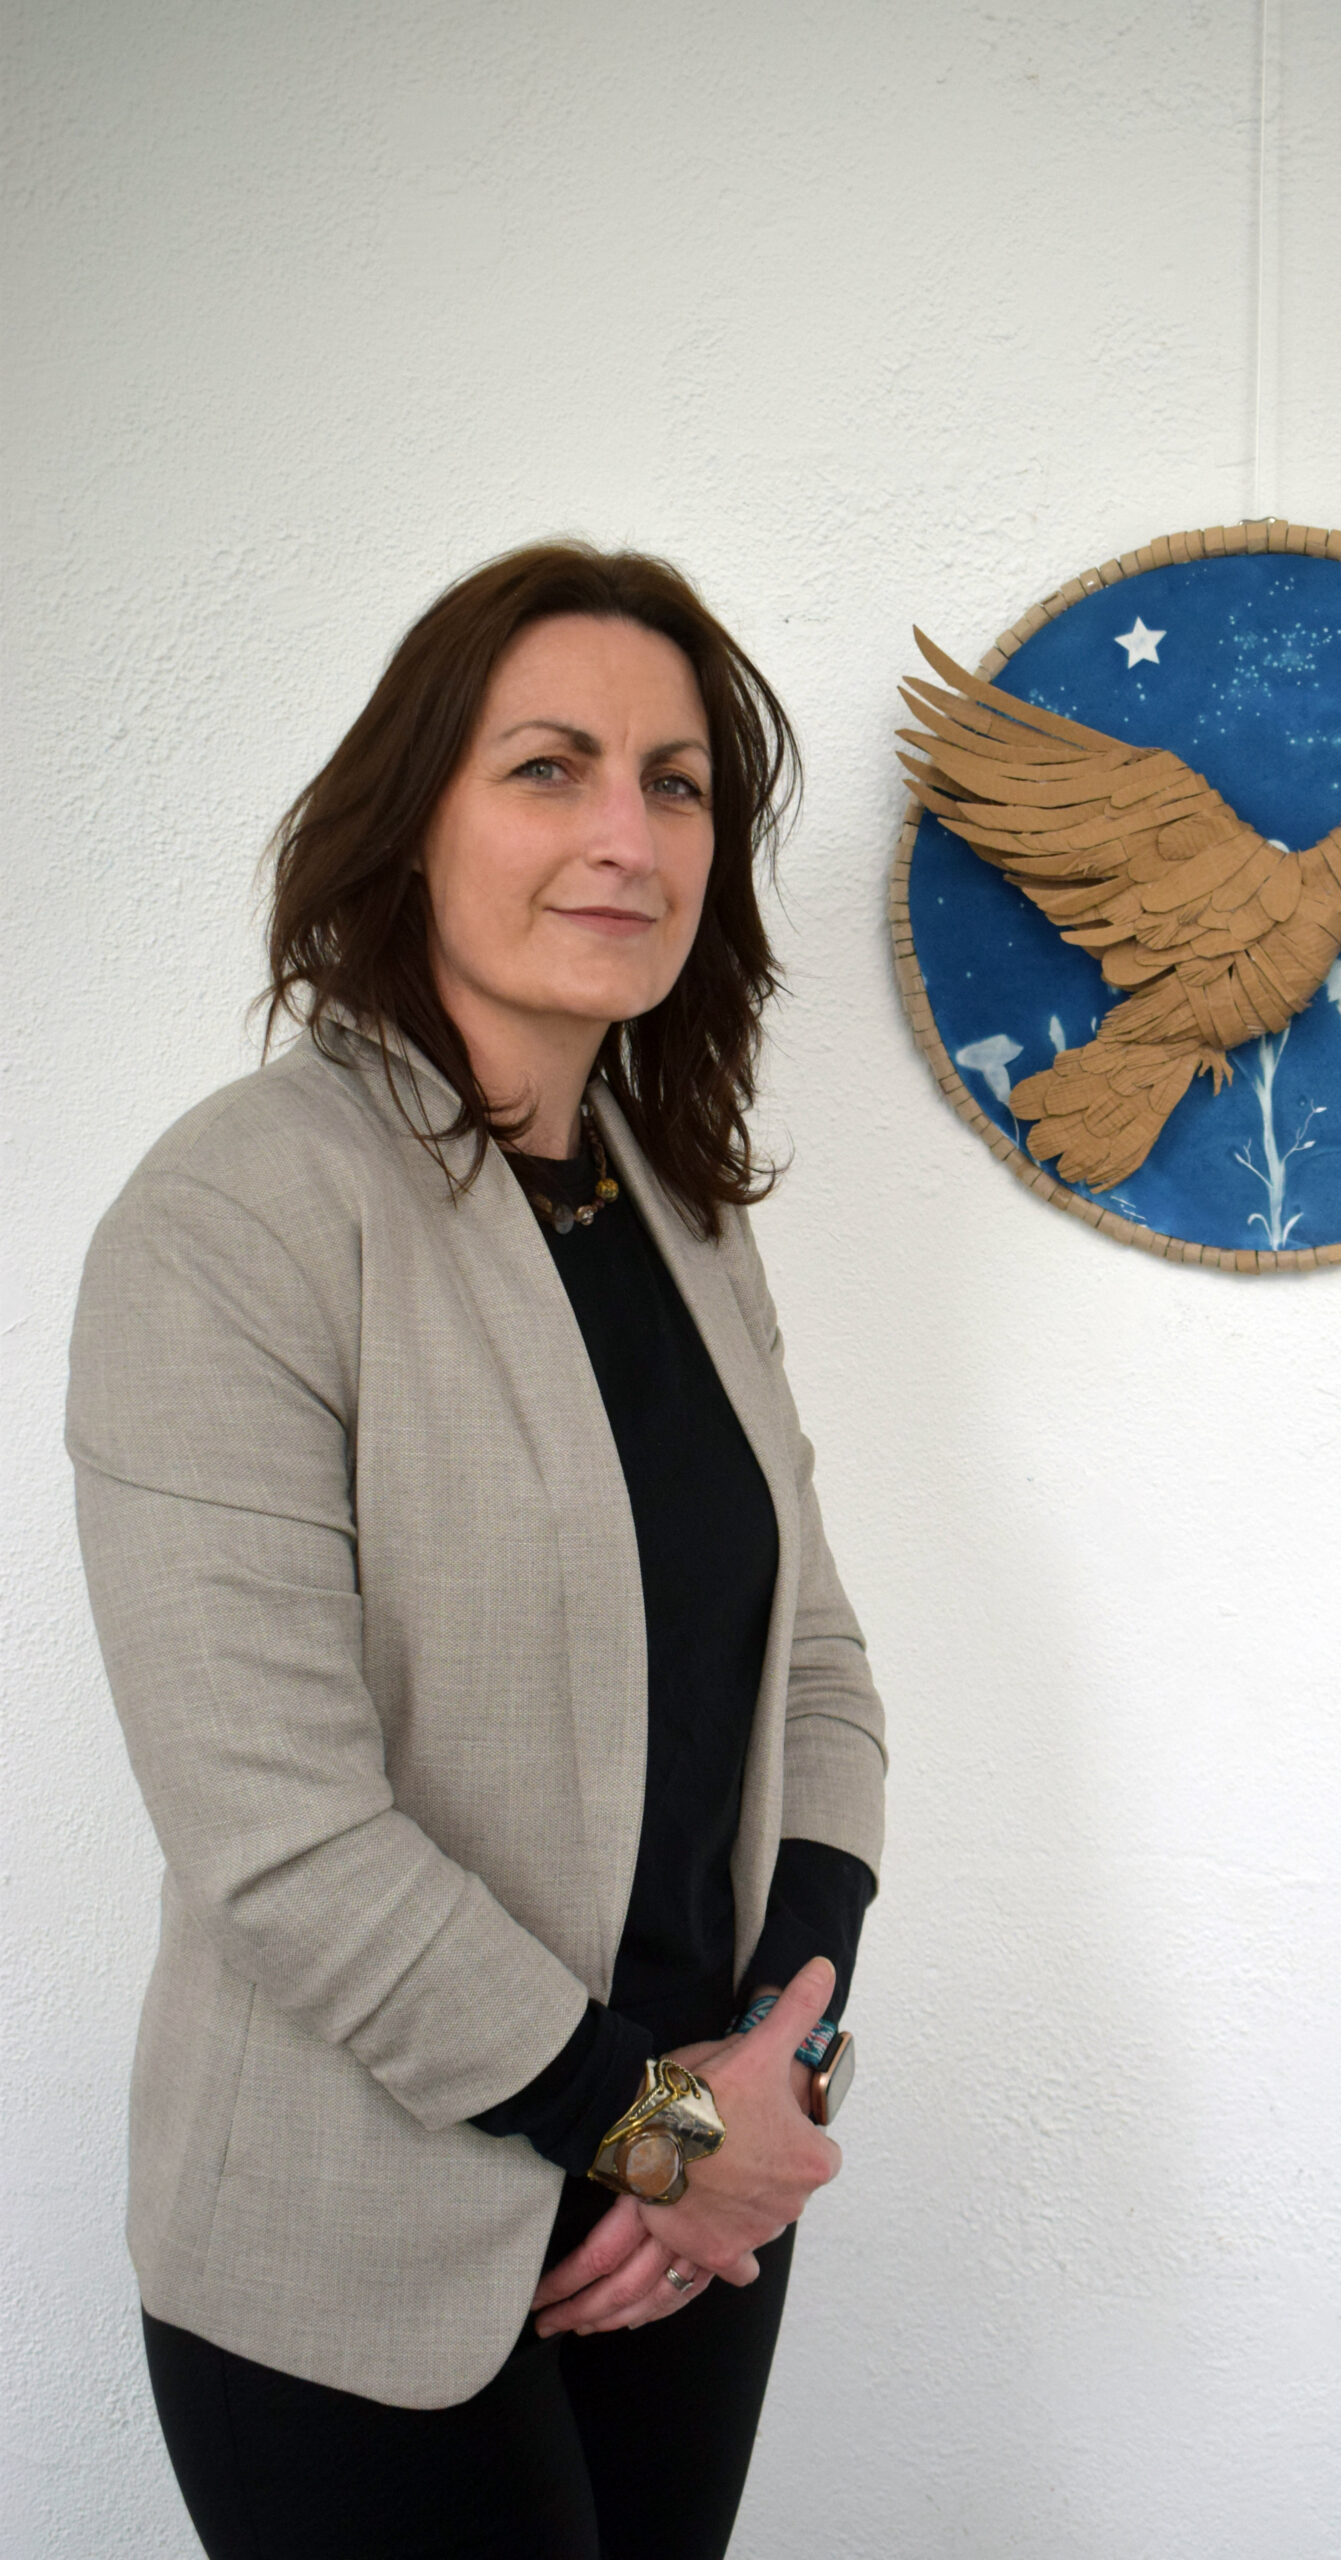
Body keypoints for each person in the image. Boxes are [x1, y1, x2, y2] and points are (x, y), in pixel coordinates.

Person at [66, 543, 886, 2559]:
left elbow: (815, 1668)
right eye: (549, 766)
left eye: (675, 781)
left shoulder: (681, 1216)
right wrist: (657, 2128)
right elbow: (276, 1825)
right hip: (366, 2255)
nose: (624, 833)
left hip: (690, 2223)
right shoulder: (236, 1213)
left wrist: (759, 2079)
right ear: (410, 816)